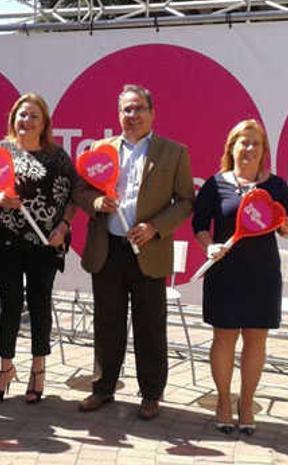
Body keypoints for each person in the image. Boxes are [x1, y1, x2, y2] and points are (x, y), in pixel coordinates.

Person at [74, 84, 194, 420]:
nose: (133, 115)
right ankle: (103, 388)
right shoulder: (100, 149)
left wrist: (156, 227)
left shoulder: (174, 152)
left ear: (152, 113)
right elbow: (81, 191)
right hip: (107, 248)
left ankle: (151, 394)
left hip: (148, 249)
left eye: (139, 108)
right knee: (107, 323)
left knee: (150, 325)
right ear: (118, 114)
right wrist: (96, 202)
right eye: (126, 109)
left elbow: (185, 201)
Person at [192, 119, 288, 436]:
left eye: (256, 143)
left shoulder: (277, 187)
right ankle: (224, 401)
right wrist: (208, 247)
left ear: (264, 150)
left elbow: (286, 225)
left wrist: (287, 228)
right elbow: (199, 226)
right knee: (223, 339)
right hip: (224, 274)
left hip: (262, 275)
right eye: (244, 142)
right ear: (231, 147)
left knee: (256, 341)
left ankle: (247, 403)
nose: (250, 148)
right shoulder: (215, 185)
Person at [0, 93, 77, 404]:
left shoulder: (58, 158)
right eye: (21, 114)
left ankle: (38, 368)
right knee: (10, 301)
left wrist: (64, 226)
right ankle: (5, 369)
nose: (26, 121)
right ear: (13, 119)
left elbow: (74, 197)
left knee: (39, 301)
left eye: (33, 116)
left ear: (44, 123)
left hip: (45, 242)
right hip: (4, 239)